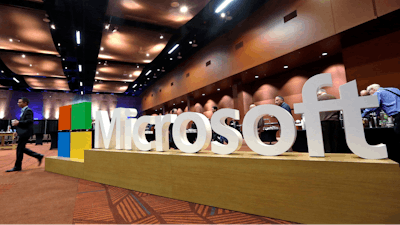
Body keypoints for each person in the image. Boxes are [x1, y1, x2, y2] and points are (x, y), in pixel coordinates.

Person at [6, 97, 44, 172]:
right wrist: (18, 129)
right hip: (23, 132)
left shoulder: (28, 110)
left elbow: (30, 121)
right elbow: (23, 122)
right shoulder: (23, 110)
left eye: (20, 102)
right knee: (21, 149)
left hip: (26, 133)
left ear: (25, 103)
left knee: (20, 149)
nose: (18, 103)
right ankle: (38, 156)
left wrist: (19, 122)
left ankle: (18, 166)